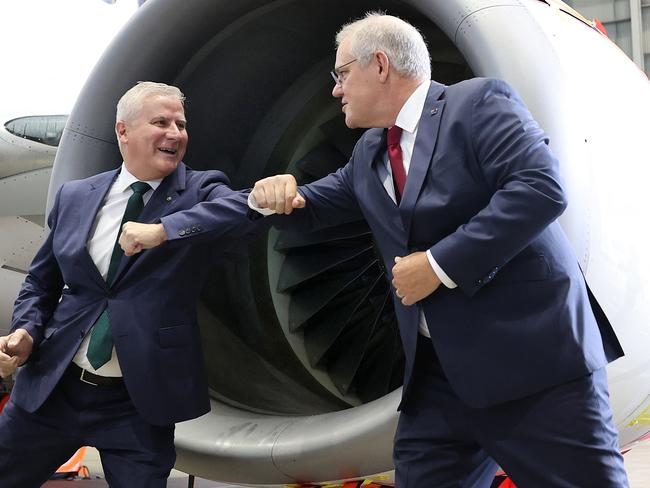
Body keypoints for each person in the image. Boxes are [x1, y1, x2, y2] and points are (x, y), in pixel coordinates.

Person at [249, 13, 629, 487]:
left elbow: (540, 187)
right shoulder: (369, 153)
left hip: (531, 366)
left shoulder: (476, 103)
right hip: (438, 378)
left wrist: (438, 265)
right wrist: (273, 194)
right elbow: (315, 203)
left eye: (342, 73)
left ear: (381, 65)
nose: (335, 89)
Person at [0, 81, 258, 487]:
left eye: (181, 124)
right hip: (53, 388)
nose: (176, 133)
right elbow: (42, 281)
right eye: (161, 122)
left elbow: (240, 211)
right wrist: (26, 331)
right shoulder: (76, 195)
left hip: (137, 404)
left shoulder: (200, 190)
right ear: (123, 131)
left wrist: (164, 230)